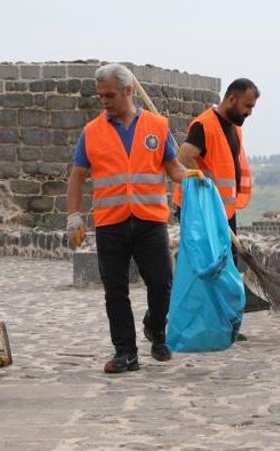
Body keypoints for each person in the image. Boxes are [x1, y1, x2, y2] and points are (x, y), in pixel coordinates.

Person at [66, 63, 203, 374]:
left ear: (128, 91)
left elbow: (172, 167)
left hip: (149, 220)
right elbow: (76, 177)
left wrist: (190, 176)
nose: (104, 100)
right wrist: (73, 215)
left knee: (162, 283)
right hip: (110, 222)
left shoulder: (157, 126)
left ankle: (156, 329)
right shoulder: (91, 132)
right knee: (115, 290)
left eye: (110, 94)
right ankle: (125, 351)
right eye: (100, 95)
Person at [174, 78, 260, 342]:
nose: (249, 112)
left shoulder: (235, 128)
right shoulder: (205, 124)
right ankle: (161, 317)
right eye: (247, 105)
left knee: (227, 266)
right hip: (202, 210)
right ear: (231, 99)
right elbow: (183, 156)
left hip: (224, 210)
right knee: (205, 266)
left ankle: (227, 324)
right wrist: (205, 178)